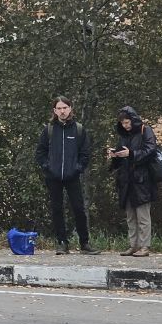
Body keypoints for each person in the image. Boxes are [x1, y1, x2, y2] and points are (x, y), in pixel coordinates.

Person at [35, 96, 96, 255]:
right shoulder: (48, 130)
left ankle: (85, 243)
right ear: (54, 111)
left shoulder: (79, 129)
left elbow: (85, 153)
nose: (62, 111)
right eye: (59, 108)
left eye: (65, 108)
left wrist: (78, 168)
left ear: (70, 109)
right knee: (57, 209)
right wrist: (46, 167)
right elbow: (40, 152)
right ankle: (62, 243)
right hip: (53, 176)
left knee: (78, 208)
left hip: (72, 176)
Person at [108, 106, 158, 257]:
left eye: (127, 122)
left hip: (142, 179)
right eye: (123, 123)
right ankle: (133, 245)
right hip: (126, 180)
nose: (125, 125)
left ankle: (144, 246)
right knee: (130, 216)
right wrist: (114, 156)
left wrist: (131, 154)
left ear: (133, 120)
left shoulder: (145, 130)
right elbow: (121, 155)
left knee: (143, 215)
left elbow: (150, 150)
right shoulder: (123, 135)